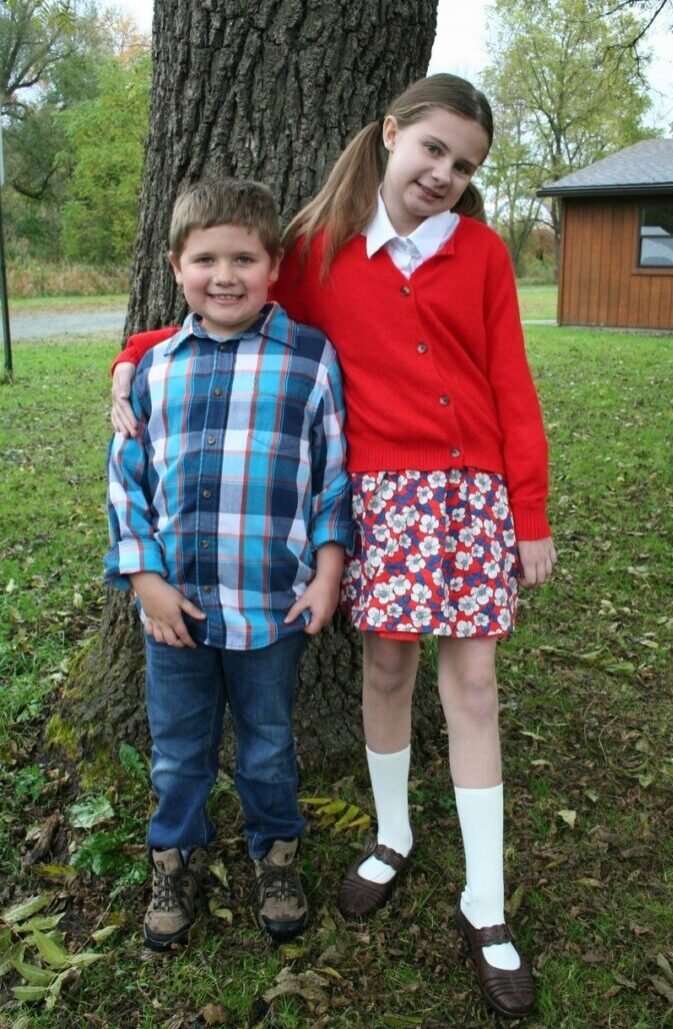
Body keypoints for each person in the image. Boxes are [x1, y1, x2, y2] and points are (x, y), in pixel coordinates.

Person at [110, 75, 555, 1017]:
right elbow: (228, 309)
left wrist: (531, 512)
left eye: (465, 164)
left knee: (471, 684)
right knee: (387, 670)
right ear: (392, 134)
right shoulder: (321, 252)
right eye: (432, 148)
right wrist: (132, 353)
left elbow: (511, 379)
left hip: (471, 494)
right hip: (381, 495)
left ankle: (487, 900)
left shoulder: (480, 253)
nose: (445, 173)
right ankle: (391, 835)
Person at [105, 178, 353, 952]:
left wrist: (327, 570)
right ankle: (173, 857)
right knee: (179, 748)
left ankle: (276, 852)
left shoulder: (309, 360)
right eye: (205, 258)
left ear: (274, 264)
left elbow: (334, 475)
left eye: (243, 257)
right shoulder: (153, 370)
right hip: (173, 611)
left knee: (269, 741)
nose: (225, 275)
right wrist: (145, 580)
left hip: (270, 605)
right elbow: (126, 479)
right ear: (176, 267)